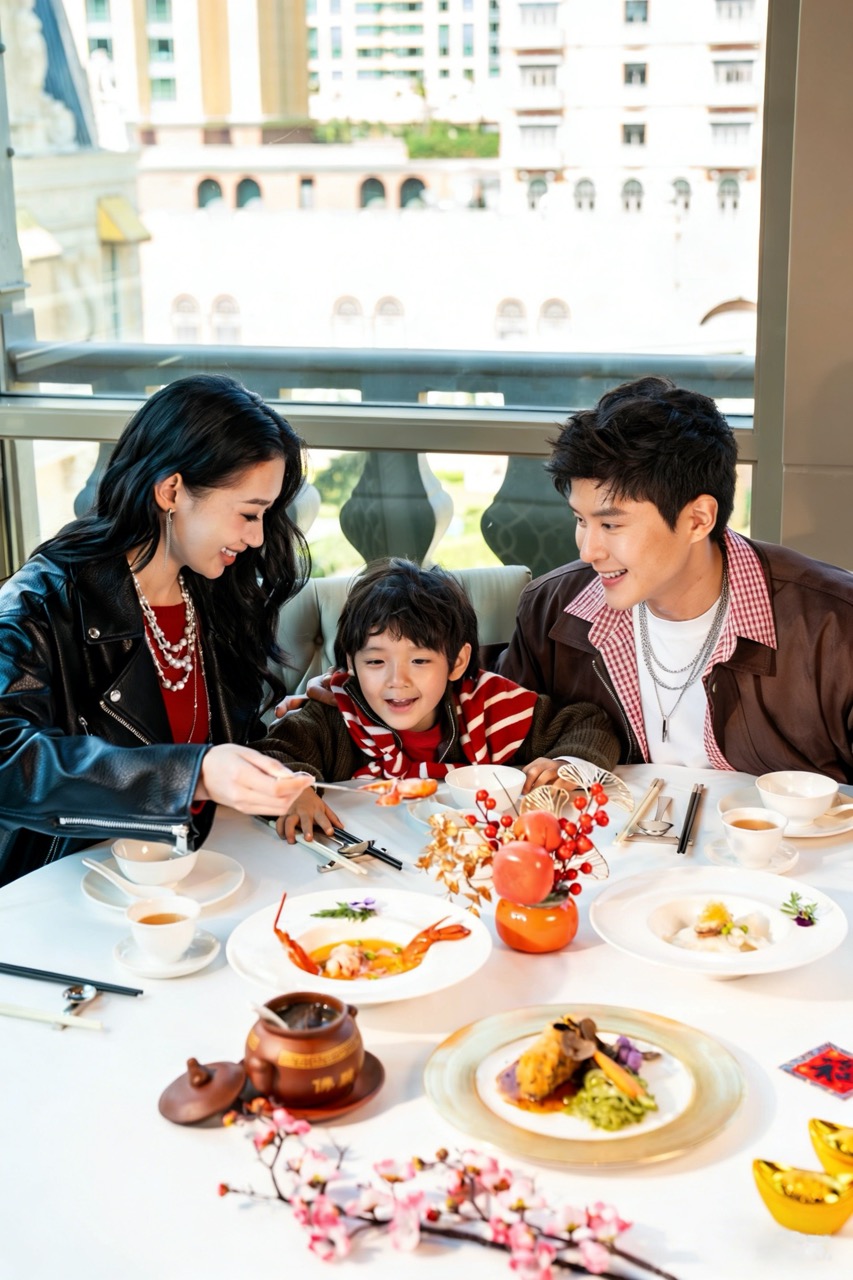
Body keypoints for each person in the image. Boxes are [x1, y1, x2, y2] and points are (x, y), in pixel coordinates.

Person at [0, 374, 314, 886]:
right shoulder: (42, 603)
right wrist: (191, 774)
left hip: (201, 875)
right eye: (248, 513)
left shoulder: (219, 595)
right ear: (171, 490)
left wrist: (313, 722)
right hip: (68, 887)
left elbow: (226, 745)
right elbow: (8, 762)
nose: (257, 538)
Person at [496, 375, 853, 780]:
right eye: (581, 520)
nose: (588, 551)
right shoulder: (550, 611)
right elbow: (494, 765)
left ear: (698, 519)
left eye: (611, 525)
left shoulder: (836, 629)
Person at [255, 558, 620, 841]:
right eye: (376, 662)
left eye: (419, 661)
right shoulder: (334, 715)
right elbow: (272, 756)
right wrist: (292, 790)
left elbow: (589, 724)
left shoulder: (488, 707)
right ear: (351, 662)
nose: (397, 681)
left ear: (457, 662)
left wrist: (566, 763)